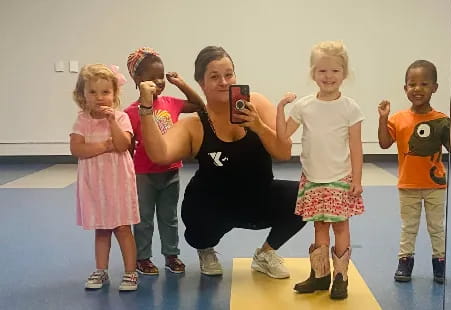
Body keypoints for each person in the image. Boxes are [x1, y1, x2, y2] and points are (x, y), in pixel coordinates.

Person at [137, 45, 306, 279]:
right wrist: (145, 110)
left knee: (306, 196)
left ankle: (265, 254)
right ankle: (205, 249)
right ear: (202, 83)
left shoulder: (255, 103)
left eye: (229, 74)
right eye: (214, 77)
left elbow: (283, 153)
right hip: (214, 206)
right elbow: (160, 154)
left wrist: (258, 126)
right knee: (198, 226)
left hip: (257, 198)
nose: (224, 82)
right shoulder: (194, 124)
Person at [277, 40, 365, 299]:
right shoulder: (304, 106)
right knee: (319, 226)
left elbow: (357, 148)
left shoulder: (351, 108)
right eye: (322, 71)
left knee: (340, 227)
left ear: (344, 74)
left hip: (340, 177)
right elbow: (283, 136)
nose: (328, 76)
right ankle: (320, 275)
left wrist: (357, 179)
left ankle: (340, 278)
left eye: (335, 71)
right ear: (313, 73)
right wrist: (280, 107)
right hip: (313, 178)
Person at [377, 59, 451, 284]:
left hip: (435, 185)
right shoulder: (399, 119)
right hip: (408, 185)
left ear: (435, 87)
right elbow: (384, 143)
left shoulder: (440, 120)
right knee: (409, 227)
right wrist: (383, 119)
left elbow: (450, 147)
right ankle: (405, 262)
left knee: (436, 226)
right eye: (412, 84)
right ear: (405, 88)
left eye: (424, 84)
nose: (418, 89)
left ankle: (439, 263)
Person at [124, 47, 205, 275]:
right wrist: (127, 176)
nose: (159, 82)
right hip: (143, 174)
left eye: (162, 76)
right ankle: (143, 258)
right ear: (138, 80)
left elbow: (200, 106)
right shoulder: (131, 112)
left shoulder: (171, 102)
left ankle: (171, 255)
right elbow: (128, 147)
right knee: (144, 219)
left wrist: (181, 83)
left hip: (170, 171)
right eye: (152, 78)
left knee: (169, 217)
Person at [70, 64, 140, 291]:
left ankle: (130, 272)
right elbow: (77, 149)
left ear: (114, 94)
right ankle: (101, 270)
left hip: (119, 183)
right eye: (93, 92)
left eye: (105, 92)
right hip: (95, 185)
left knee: (122, 228)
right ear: (83, 95)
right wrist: (103, 145)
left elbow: (123, 145)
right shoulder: (82, 121)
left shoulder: (120, 118)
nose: (99, 98)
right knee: (101, 229)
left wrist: (111, 124)